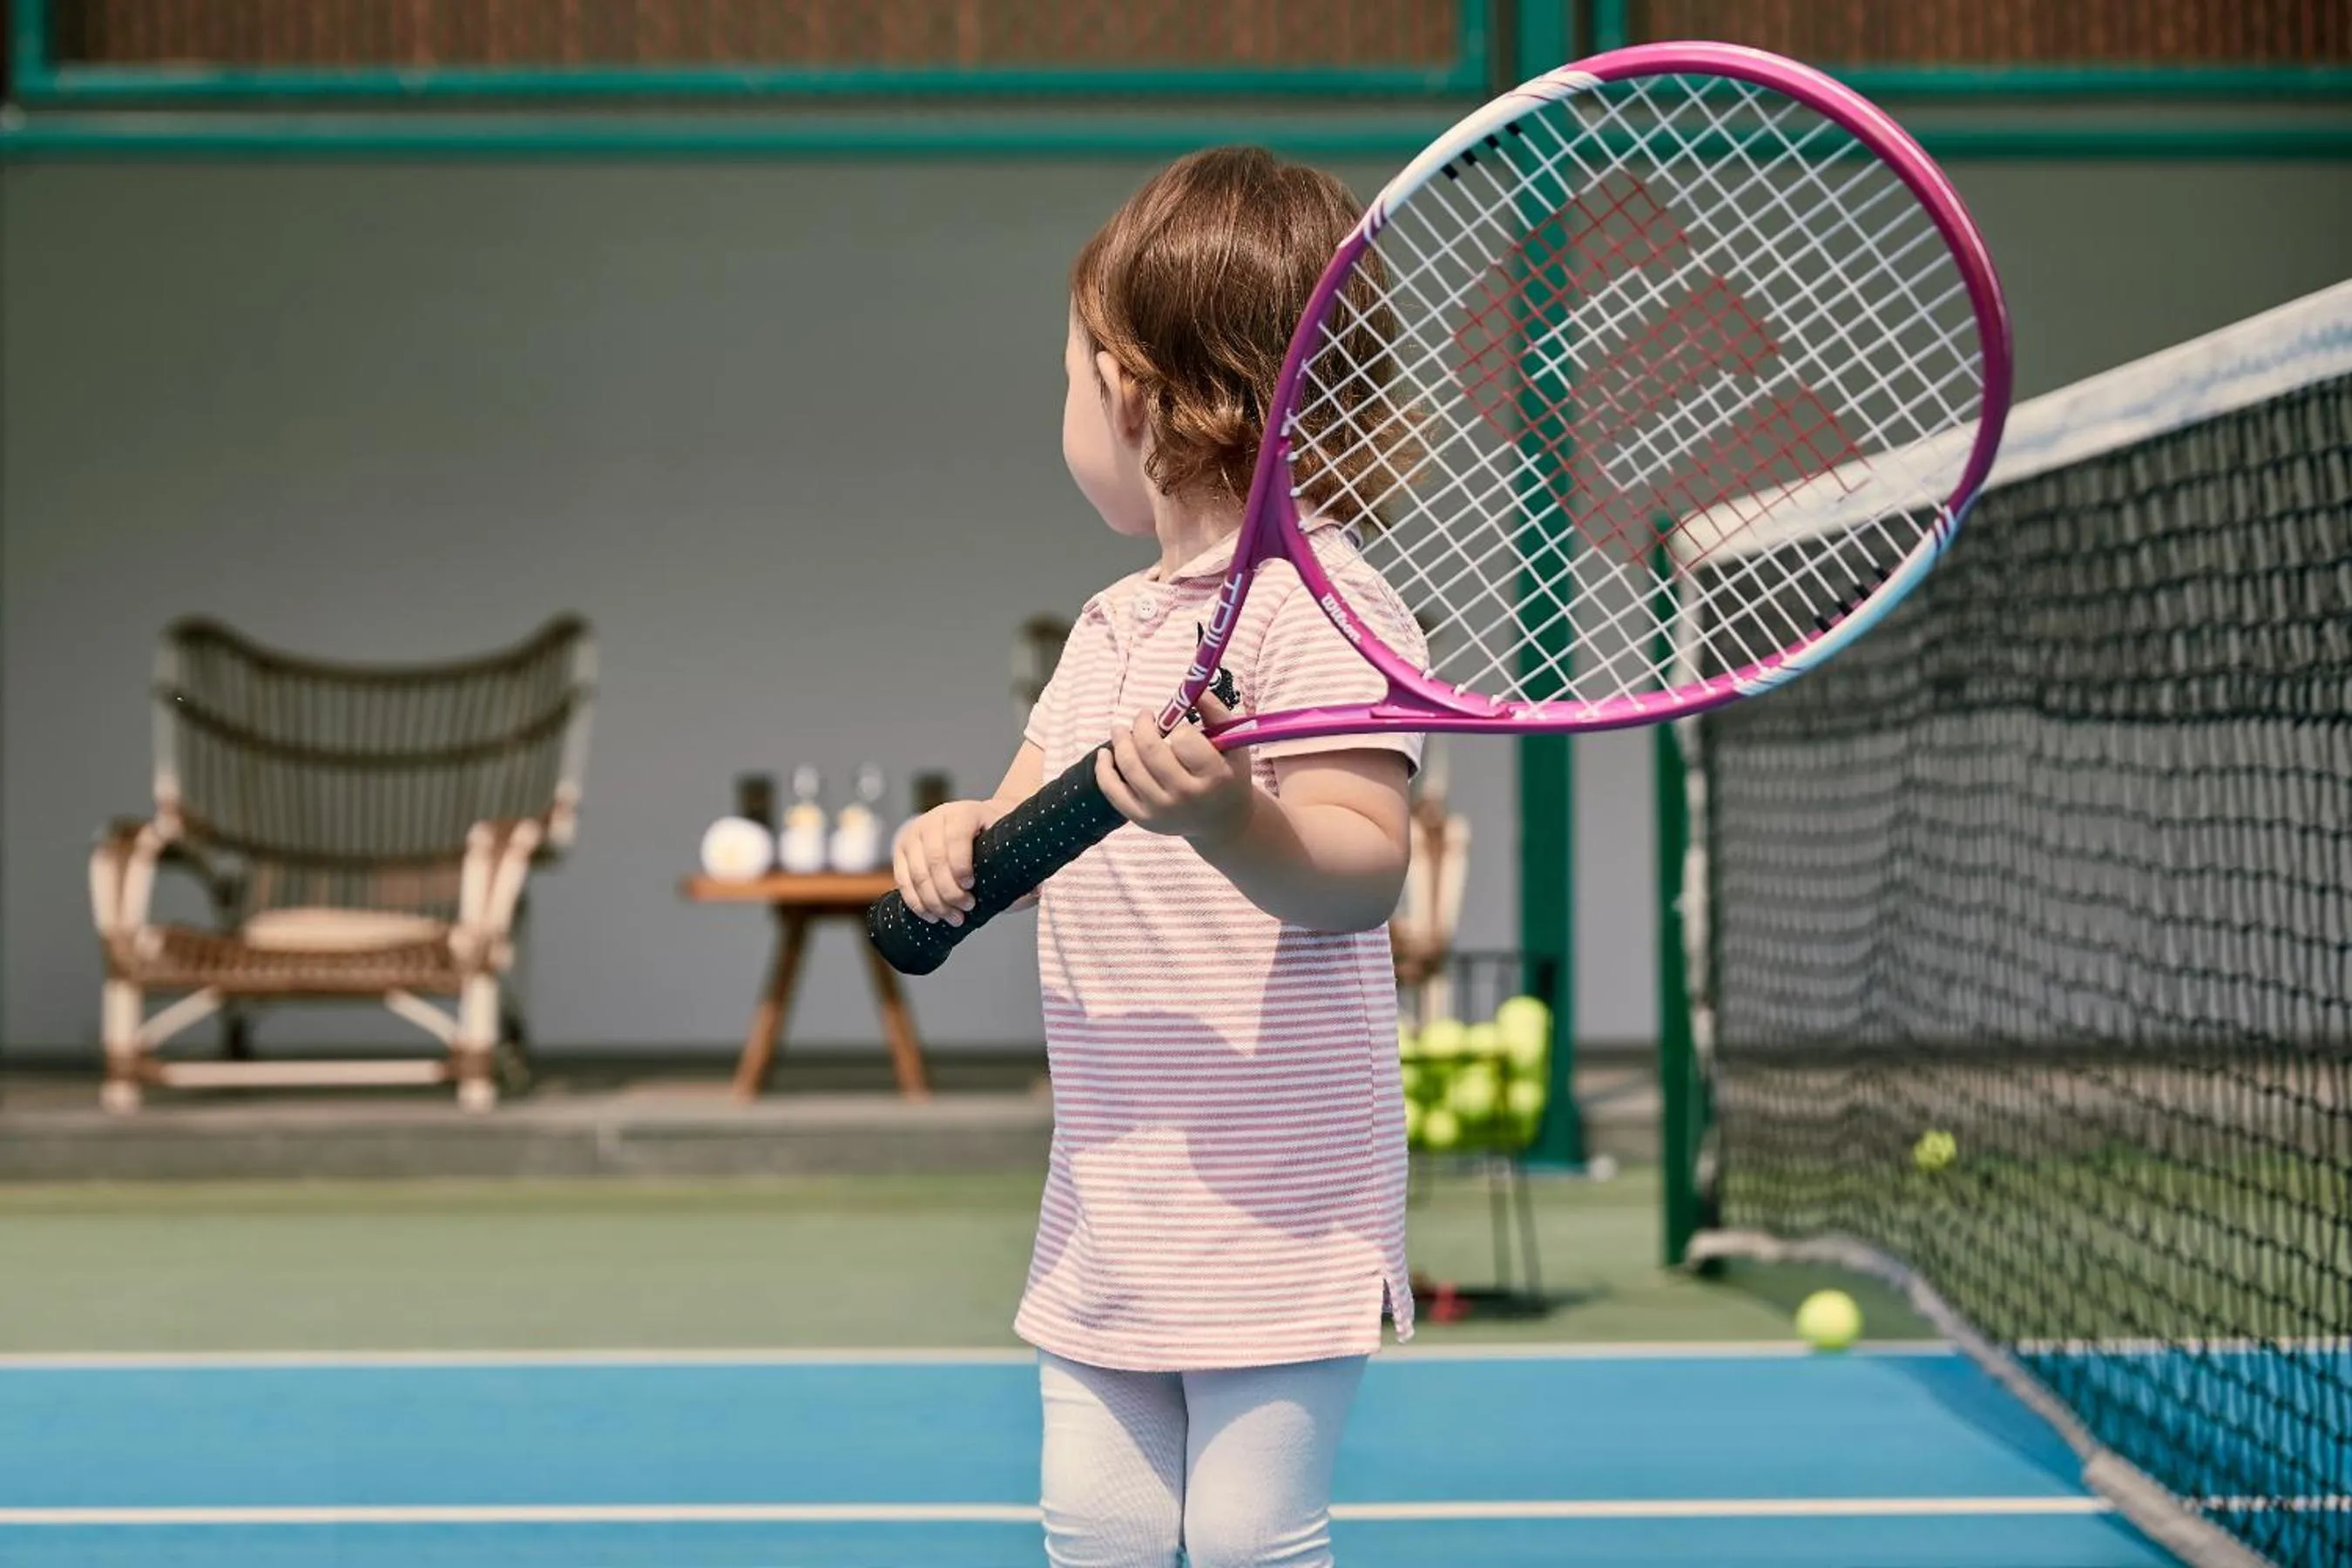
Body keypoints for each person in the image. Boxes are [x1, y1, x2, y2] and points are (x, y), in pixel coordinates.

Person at [892, 145, 1425, 1568]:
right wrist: (954, 842)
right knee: (1101, 1532)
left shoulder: (1333, 608)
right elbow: (1017, 832)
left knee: (1252, 1542)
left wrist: (1230, 819)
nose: (1064, 408)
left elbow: (1367, 867)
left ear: (1138, 388)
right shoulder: (1112, 628)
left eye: (1069, 375)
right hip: (1117, 1189)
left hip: (1283, 1196)